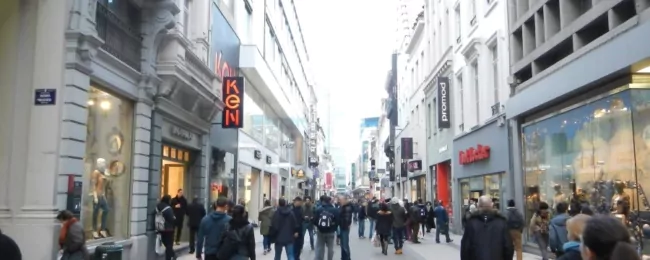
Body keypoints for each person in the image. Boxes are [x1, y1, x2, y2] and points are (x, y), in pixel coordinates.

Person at [460, 196, 514, 260]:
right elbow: (508, 246)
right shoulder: (501, 222)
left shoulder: (471, 223)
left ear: (478, 205)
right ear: (492, 205)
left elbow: (465, 247)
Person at [313, 196, 340, 260]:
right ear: (330, 201)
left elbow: (314, 221)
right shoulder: (335, 210)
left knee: (320, 247)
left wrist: (319, 227)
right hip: (331, 231)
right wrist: (334, 228)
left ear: (323, 201)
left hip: (321, 232)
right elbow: (338, 221)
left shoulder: (318, 209)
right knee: (330, 248)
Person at [157, 195, 176, 260]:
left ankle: (172, 255)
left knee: (165, 243)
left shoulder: (157, 206)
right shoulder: (168, 208)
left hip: (160, 228)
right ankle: (170, 256)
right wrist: (174, 218)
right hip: (168, 229)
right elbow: (171, 219)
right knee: (169, 245)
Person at [338, 196, 354, 260]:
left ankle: (347, 258)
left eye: (341, 200)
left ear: (345, 200)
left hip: (344, 227)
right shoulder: (343, 207)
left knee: (344, 244)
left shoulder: (347, 207)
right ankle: (343, 257)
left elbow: (347, 219)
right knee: (342, 244)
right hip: (342, 226)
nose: (340, 201)